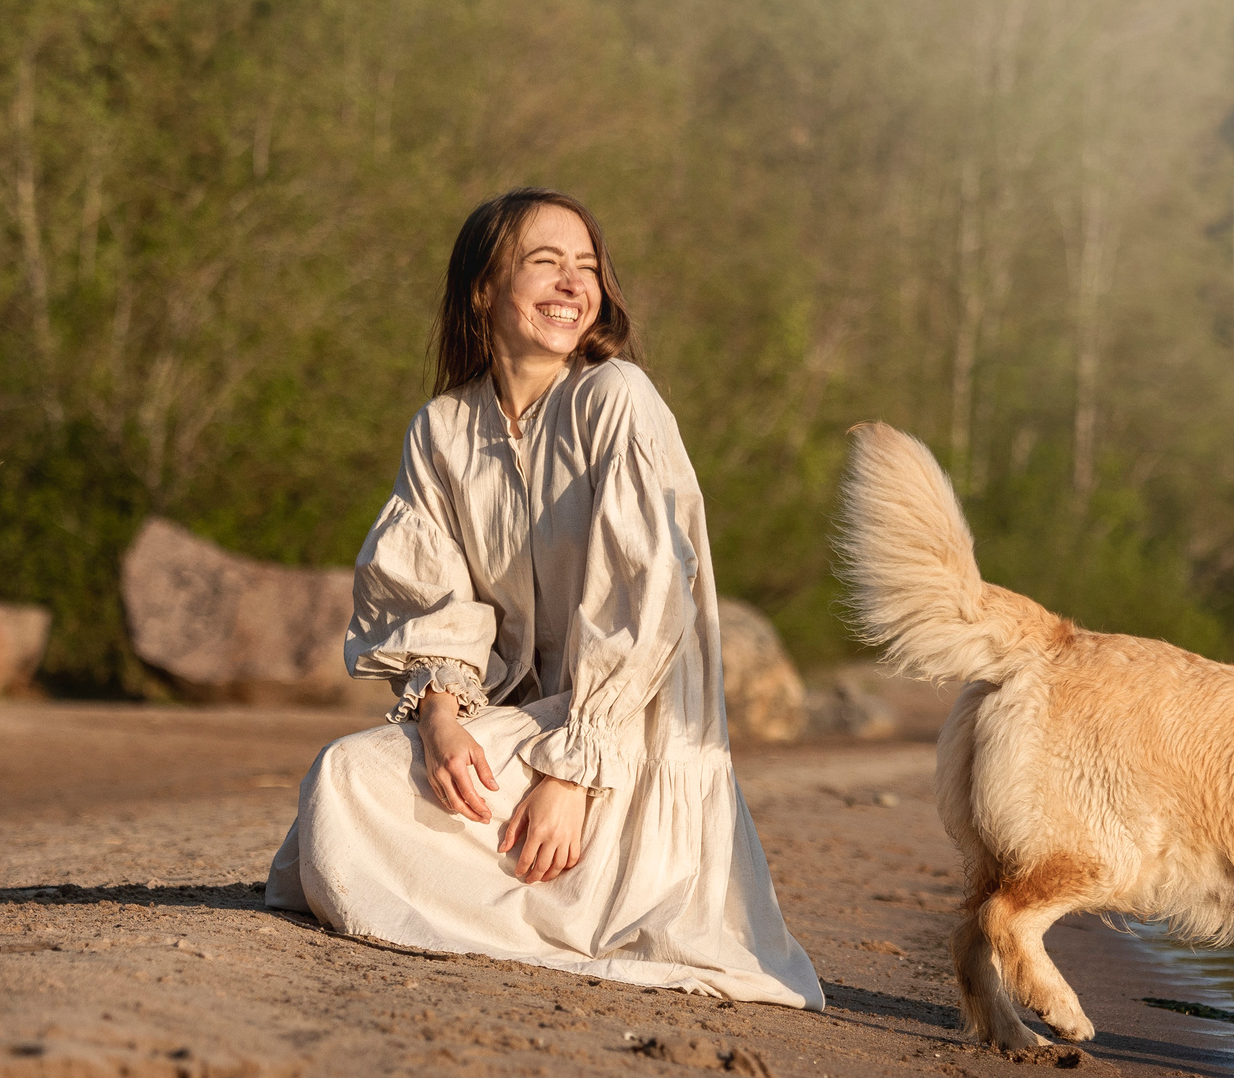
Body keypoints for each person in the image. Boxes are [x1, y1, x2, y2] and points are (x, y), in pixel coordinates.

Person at [266, 189, 824, 1009]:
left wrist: (573, 774)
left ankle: (557, 896)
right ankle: (531, 902)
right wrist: (443, 720)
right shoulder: (442, 431)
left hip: (628, 737)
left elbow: (645, 605)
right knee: (345, 781)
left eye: (587, 268)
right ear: (485, 289)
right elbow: (430, 598)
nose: (573, 285)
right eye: (545, 263)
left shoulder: (616, 398)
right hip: (522, 726)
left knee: (380, 836)